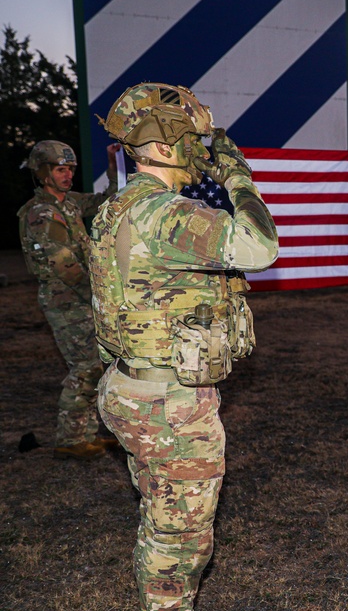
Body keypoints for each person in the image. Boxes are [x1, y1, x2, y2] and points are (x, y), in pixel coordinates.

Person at [90, 82, 278, 610]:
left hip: (131, 386)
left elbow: (113, 308)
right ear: (166, 147)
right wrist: (238, 177)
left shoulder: (115, 209)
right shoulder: (167, 215)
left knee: (160, 517)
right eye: (197, 141)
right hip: (168, 406)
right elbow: (260, 247)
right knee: (181, 540)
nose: (206, 152)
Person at [17, 139, 119, 459]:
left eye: (70, 169)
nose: (68, 175)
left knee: (94, 367)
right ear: (43, 173)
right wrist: (97, 297)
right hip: (66, 299)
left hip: (81, 297)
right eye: (61, 169)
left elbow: (106, 201)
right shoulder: (41, 213)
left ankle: (83, 434)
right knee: (86, 367)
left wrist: (114, 167)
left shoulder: (69, 203)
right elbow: (64, 265)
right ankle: (71, 439)